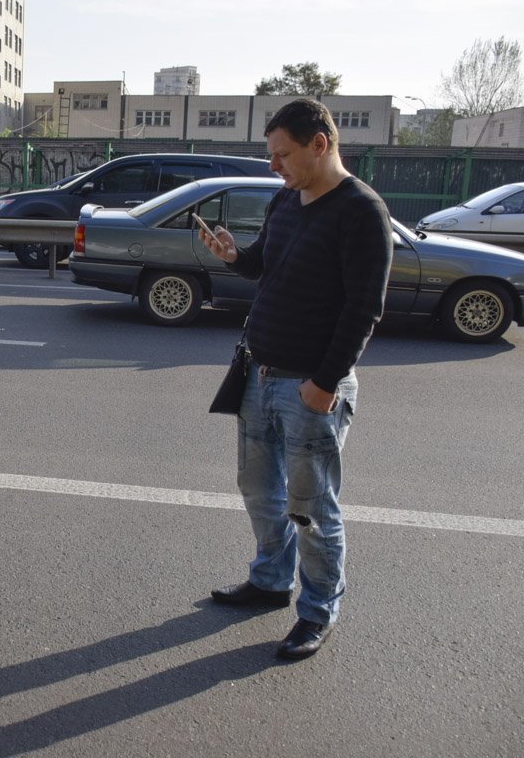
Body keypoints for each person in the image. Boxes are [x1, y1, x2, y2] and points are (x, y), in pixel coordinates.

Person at [199, 98, 393, 660]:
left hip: (312, 385)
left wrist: (327, 382)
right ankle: (269, 582)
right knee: (260, 492)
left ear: (320, 144)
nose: (274, 166)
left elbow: (365, 308)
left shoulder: (361, 211)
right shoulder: (286, 199)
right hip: (259, 374)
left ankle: (317, 611)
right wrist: (234, 257)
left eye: (282, 154)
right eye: (270, 155)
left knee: (310, 509)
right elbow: (266, 264)